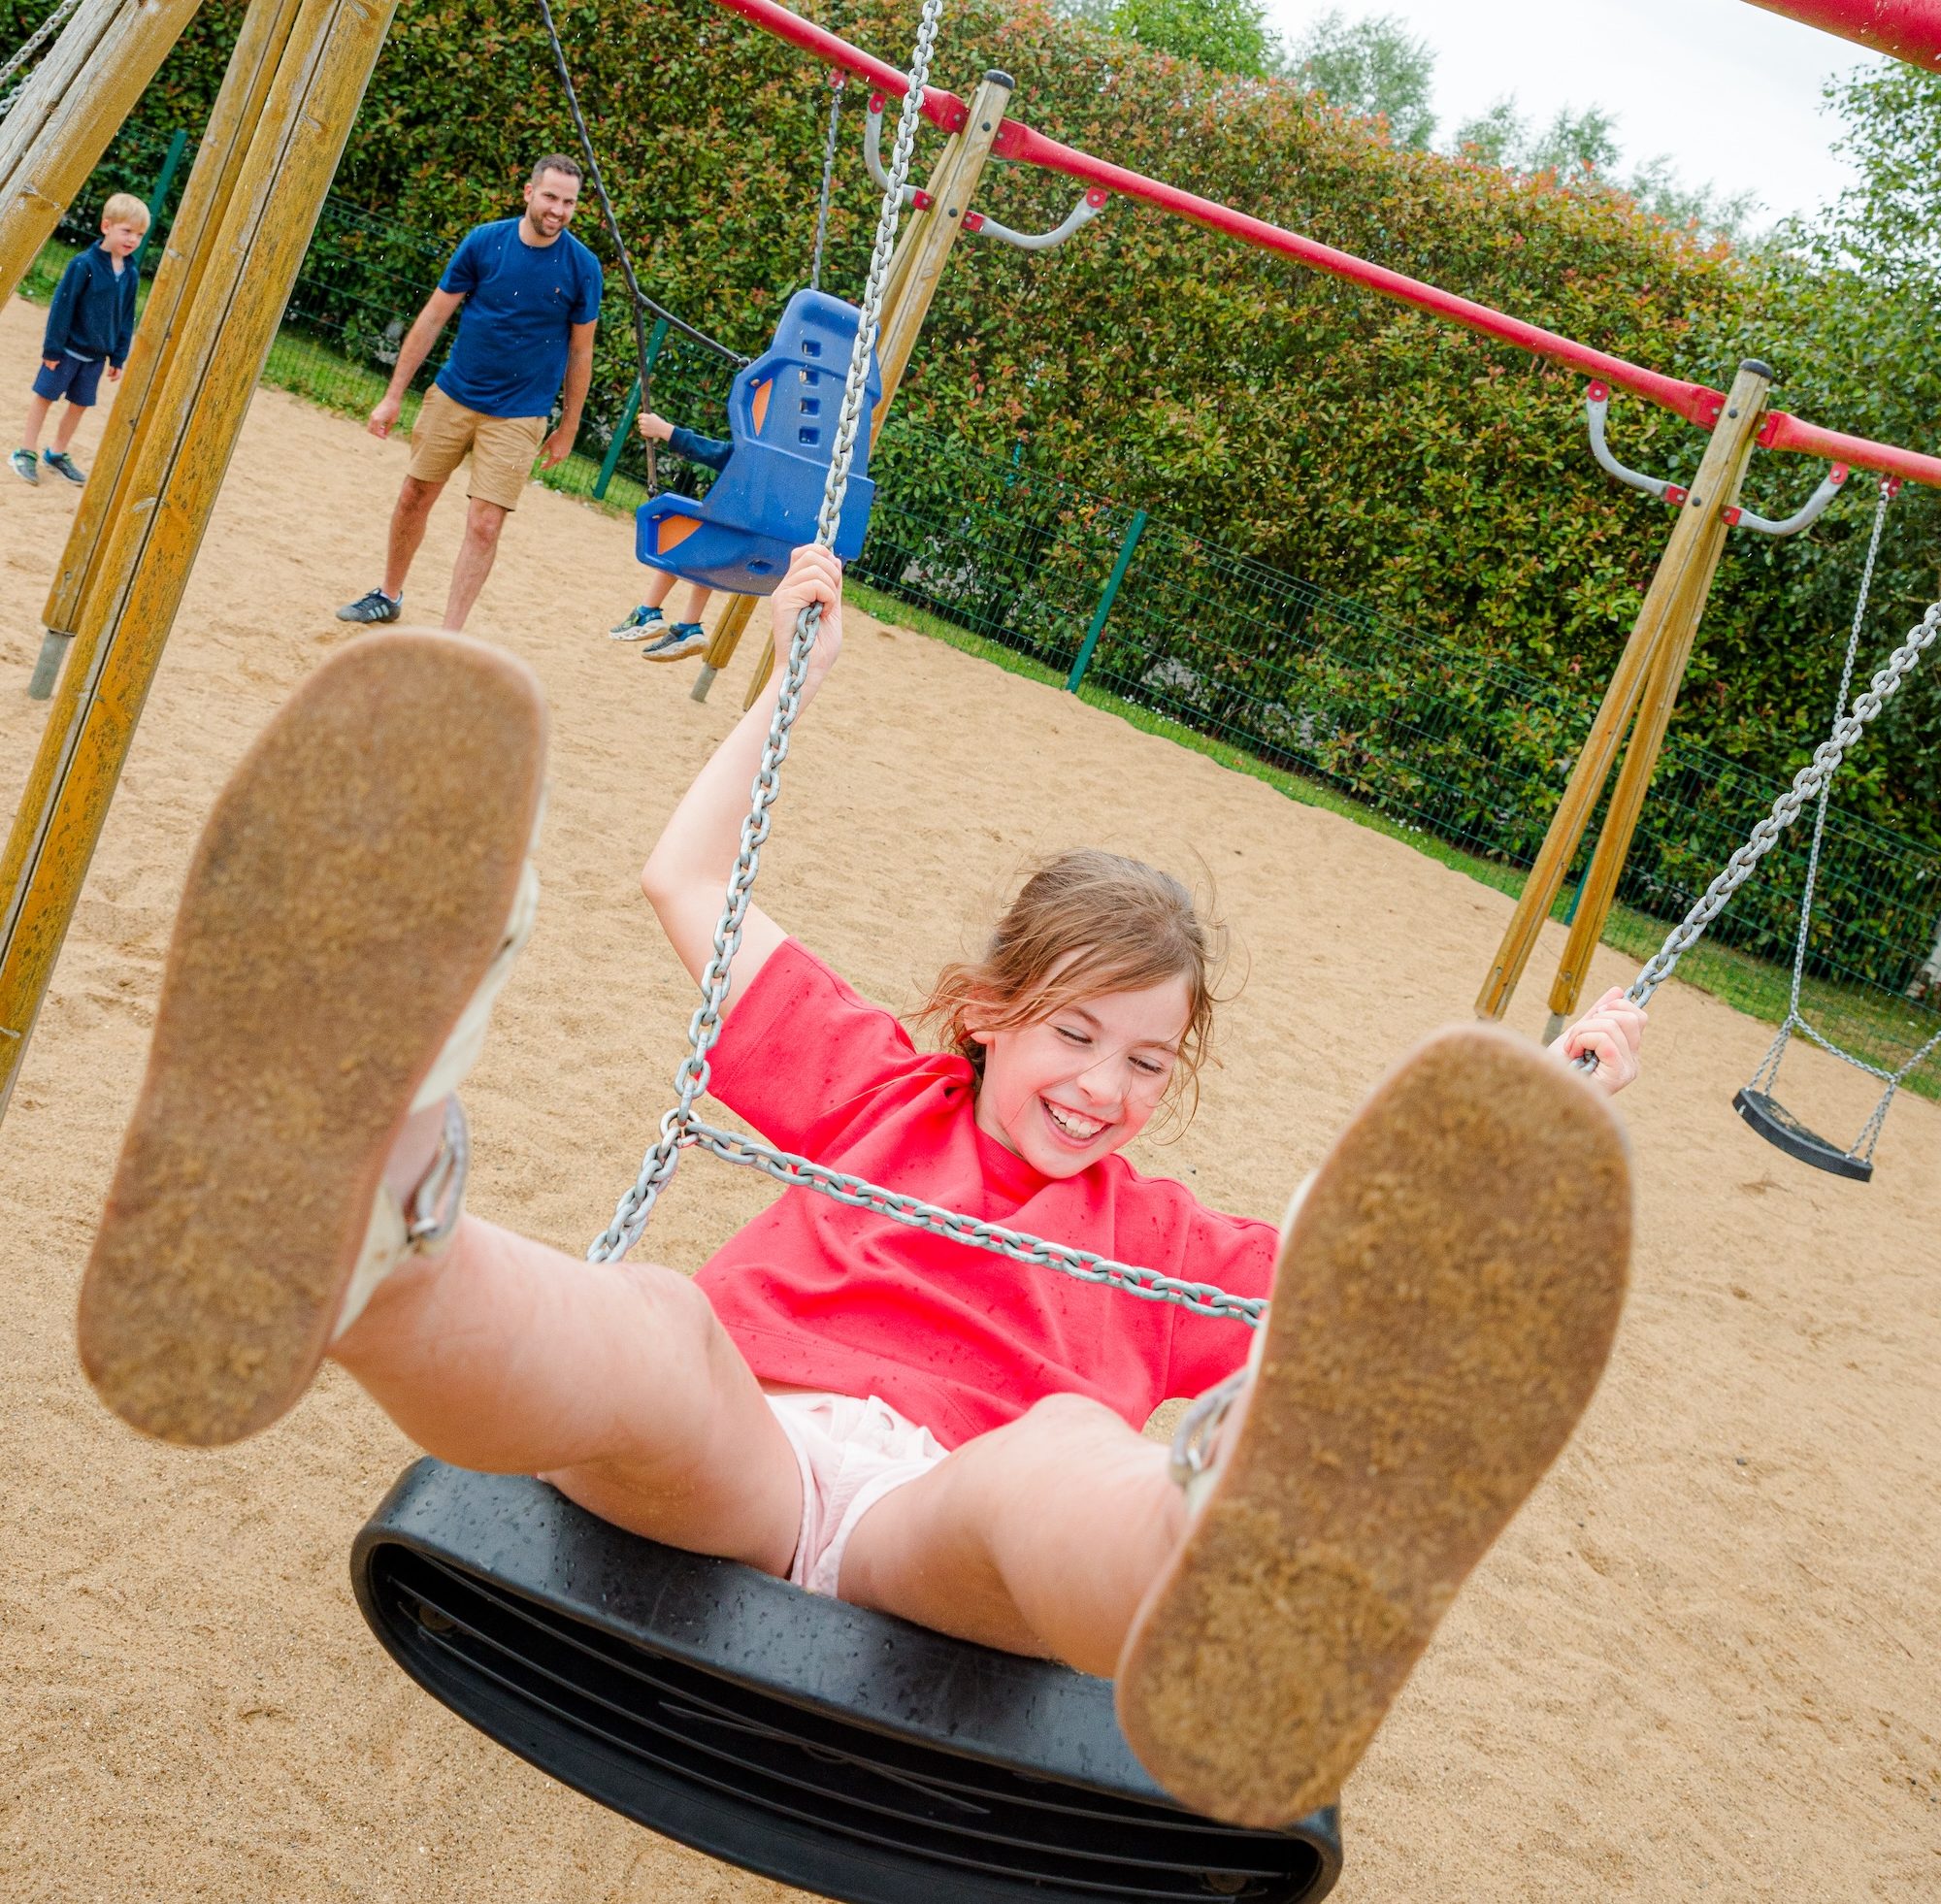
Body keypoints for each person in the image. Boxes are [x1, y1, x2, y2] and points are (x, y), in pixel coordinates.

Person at [77, 546, 1644, 1828]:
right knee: (659, 1334)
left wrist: (1548, 1099)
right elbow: (687, 881)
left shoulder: (1167, 1246)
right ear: (988, 1013)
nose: (1103, 1085)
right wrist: (785, 693)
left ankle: (1225, 1577)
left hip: (937, 1533)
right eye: (1074, 1034)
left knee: (1068, 1455)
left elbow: (1372, 1265)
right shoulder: (871, 1085)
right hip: (745, 1461)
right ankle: (371, 1226)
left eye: (1149, 1063)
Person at [337, 156, 601, 633]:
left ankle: (448, 637)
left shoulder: (583, 268)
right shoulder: (484, 242)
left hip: (520, 414)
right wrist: (393, 395)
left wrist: (569, 427)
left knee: (485, 524)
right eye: (550, 197)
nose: (558, 210)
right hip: (454, 395)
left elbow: (581, 353)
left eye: (569, 202)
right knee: (415, 495)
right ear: (528, 192)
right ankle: (388, 595)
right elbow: (434, 317)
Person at [10, 194, 147, 488]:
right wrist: (52, 349)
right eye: (127, 231)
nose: (133, 239)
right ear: (106, 226)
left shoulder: (131, 273)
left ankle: (56, 453)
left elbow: (126, 317)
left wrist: (118, 357)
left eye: (139, 234)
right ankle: (26, 451)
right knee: (44, 398)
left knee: (78, 406)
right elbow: (62, 307)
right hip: (66, 351)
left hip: (95, 358)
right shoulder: (82, 264)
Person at [607, 409, 722, 659]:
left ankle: (647, 611)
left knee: (684, 539)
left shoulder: (767, 448)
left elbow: (721, 454)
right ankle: (689, 625)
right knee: (713, 542)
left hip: (733, 535)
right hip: (768, 547)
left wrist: (666, 431)